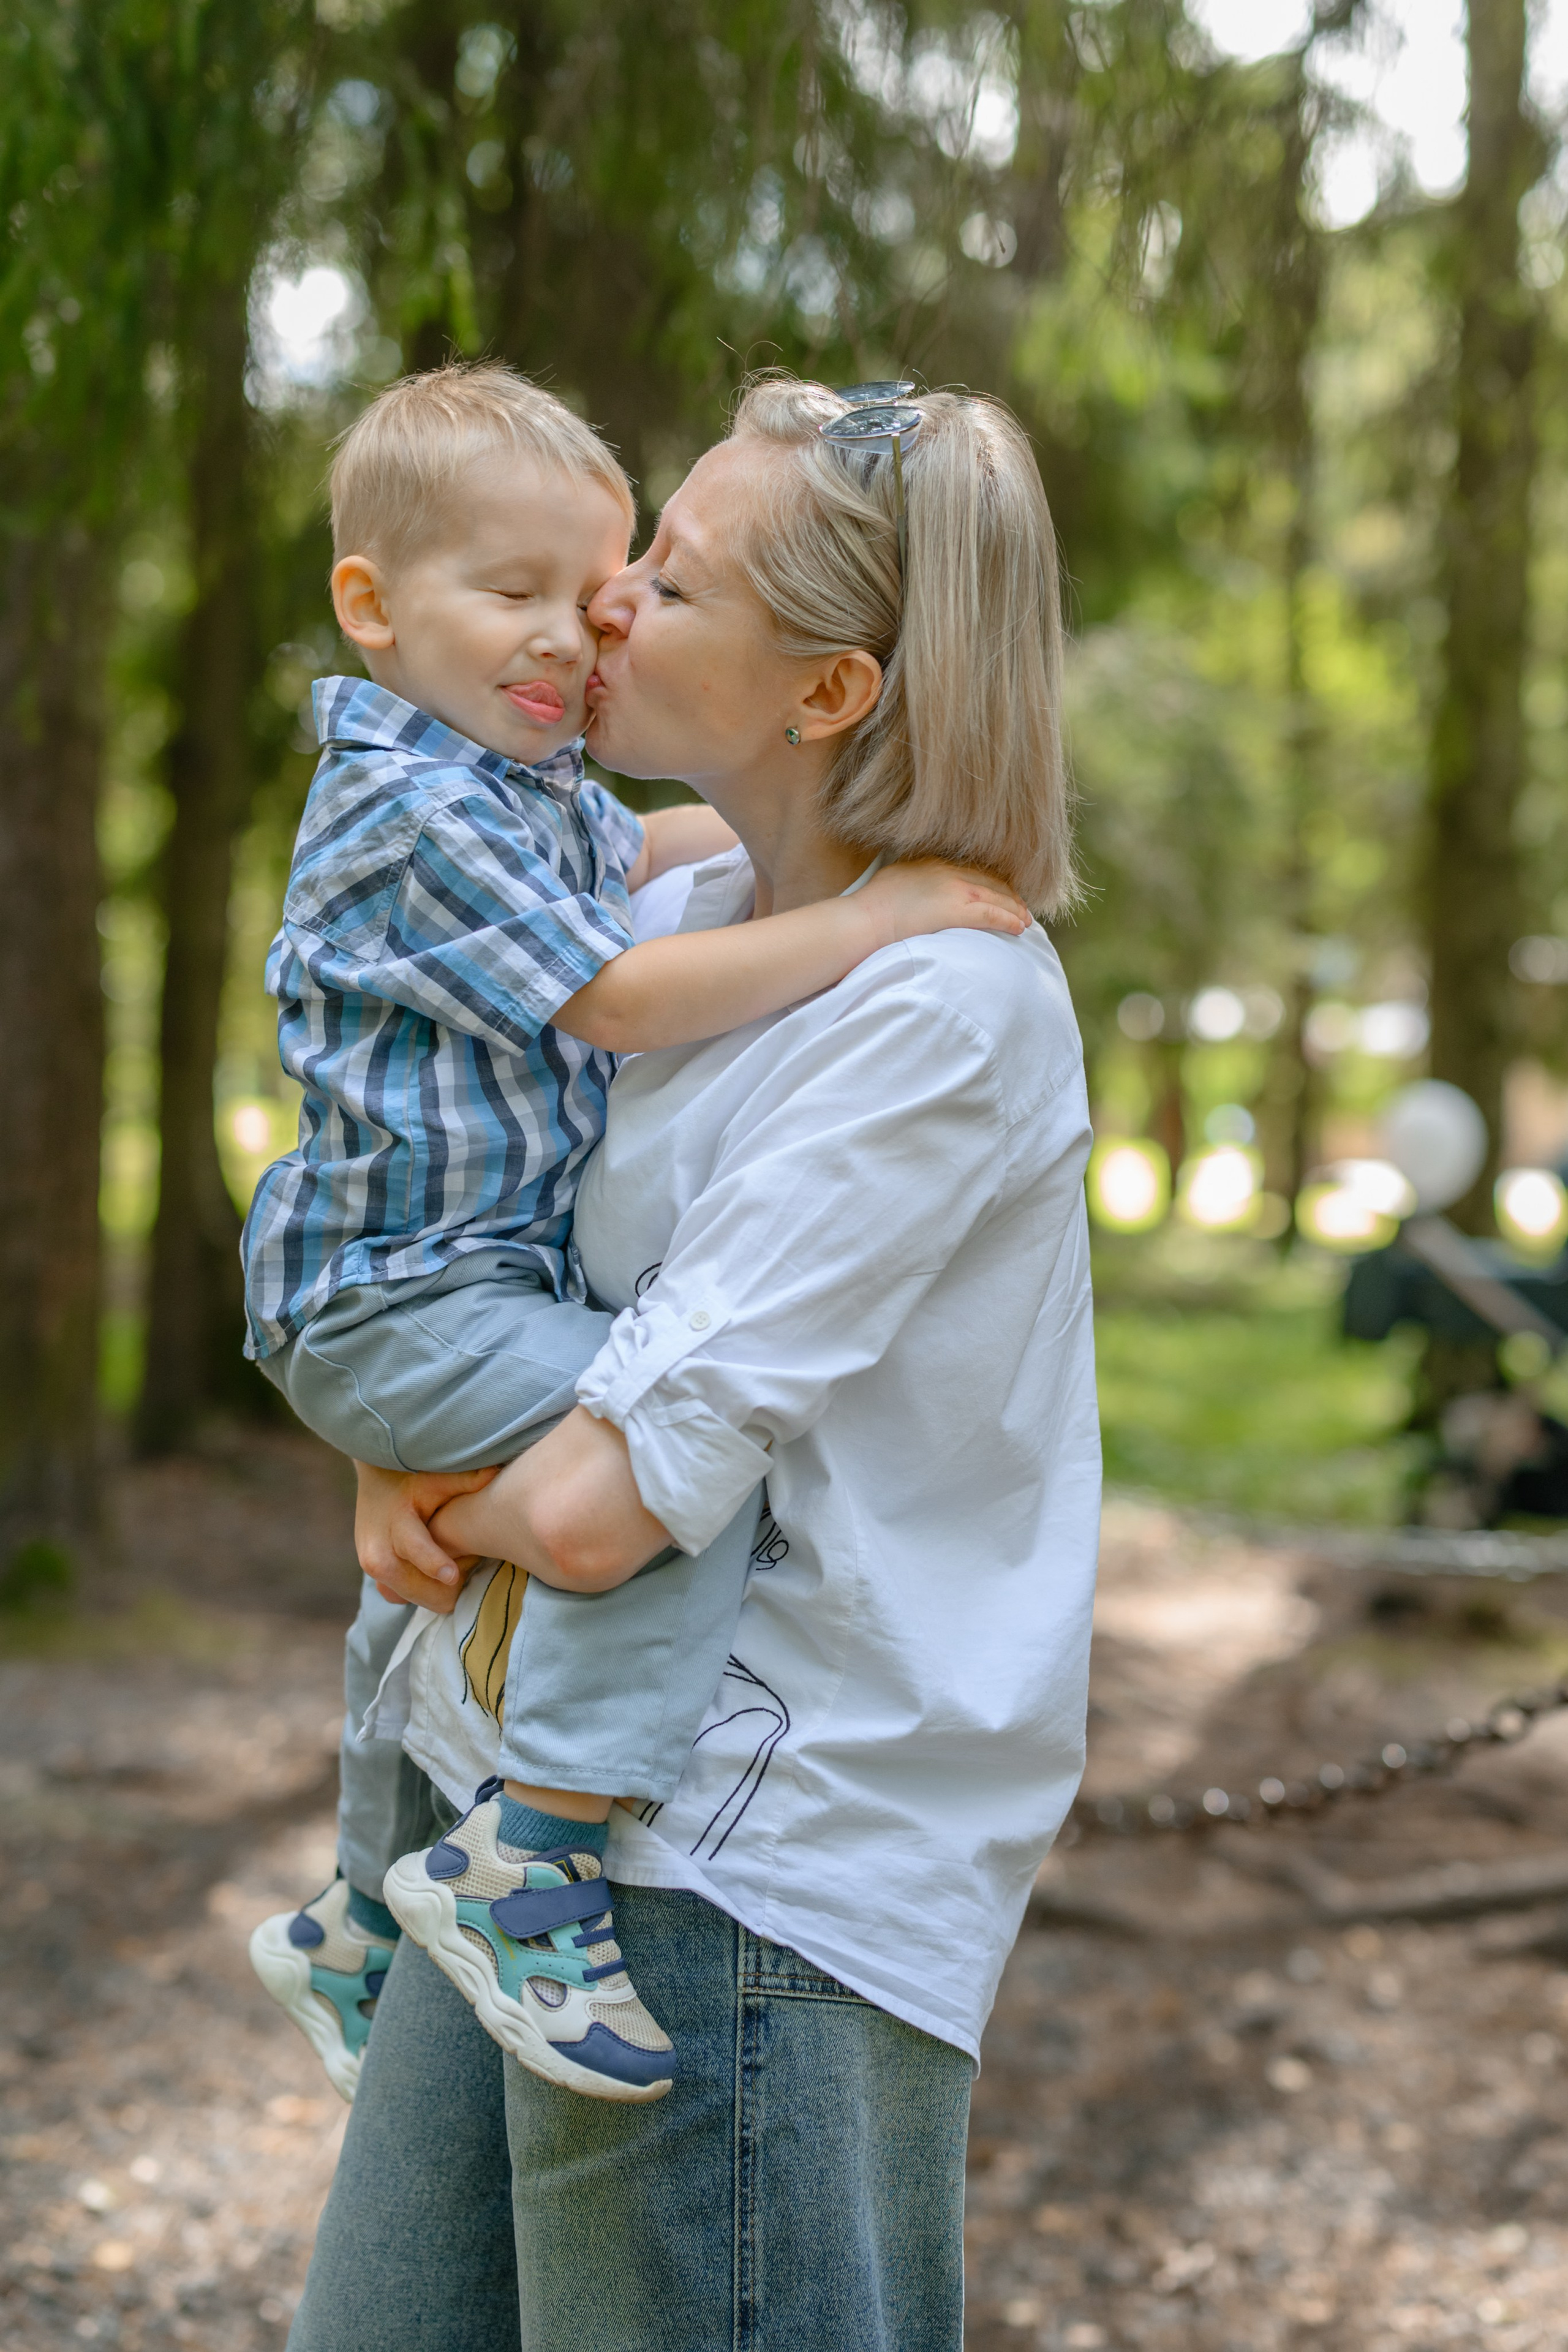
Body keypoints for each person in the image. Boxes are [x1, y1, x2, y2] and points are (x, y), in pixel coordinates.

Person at [287, 372, 1099, 2352]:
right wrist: (389, 1446)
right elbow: (476, 1234)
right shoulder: (709, 899)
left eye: (673, 570)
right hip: (518, 1836)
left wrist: (439, 1491)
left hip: (747, 1890)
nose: (606, 605)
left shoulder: (940, 1008)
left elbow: (589, 1509)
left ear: (828, 692)